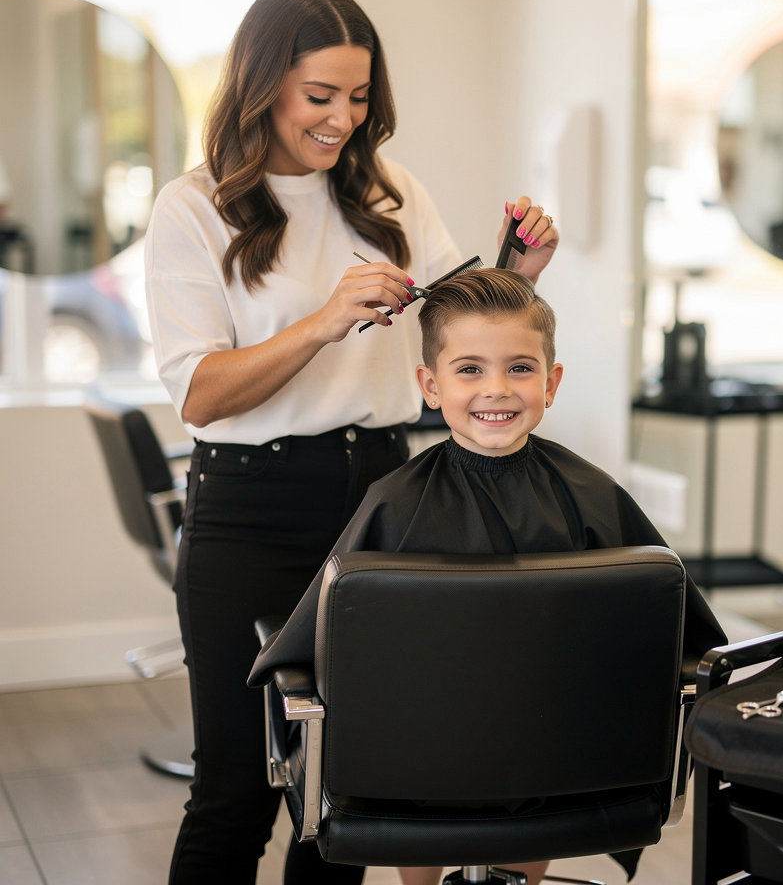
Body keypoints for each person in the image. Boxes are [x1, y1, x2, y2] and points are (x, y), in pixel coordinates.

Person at [144, 0, 558, 885]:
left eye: (359, 96)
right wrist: (323, 321)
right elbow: (202, 396)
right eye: (319, 96)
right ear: (261, 86)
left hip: (378, 502)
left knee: (345, 795)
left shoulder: (388, 190)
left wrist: (518, 269)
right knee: (236, 795)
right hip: (250, 516)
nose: (341, 119)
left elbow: (462, 321)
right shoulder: (193, 207)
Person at [249, 267, 727, 885]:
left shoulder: (577, 496)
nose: (496, 389)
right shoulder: (409, 501)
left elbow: (311, 650)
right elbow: (690, 644)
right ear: (430, 384)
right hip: (550, 774)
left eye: (520, 368)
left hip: (440, 779)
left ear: (551, 382)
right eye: (470, 369)